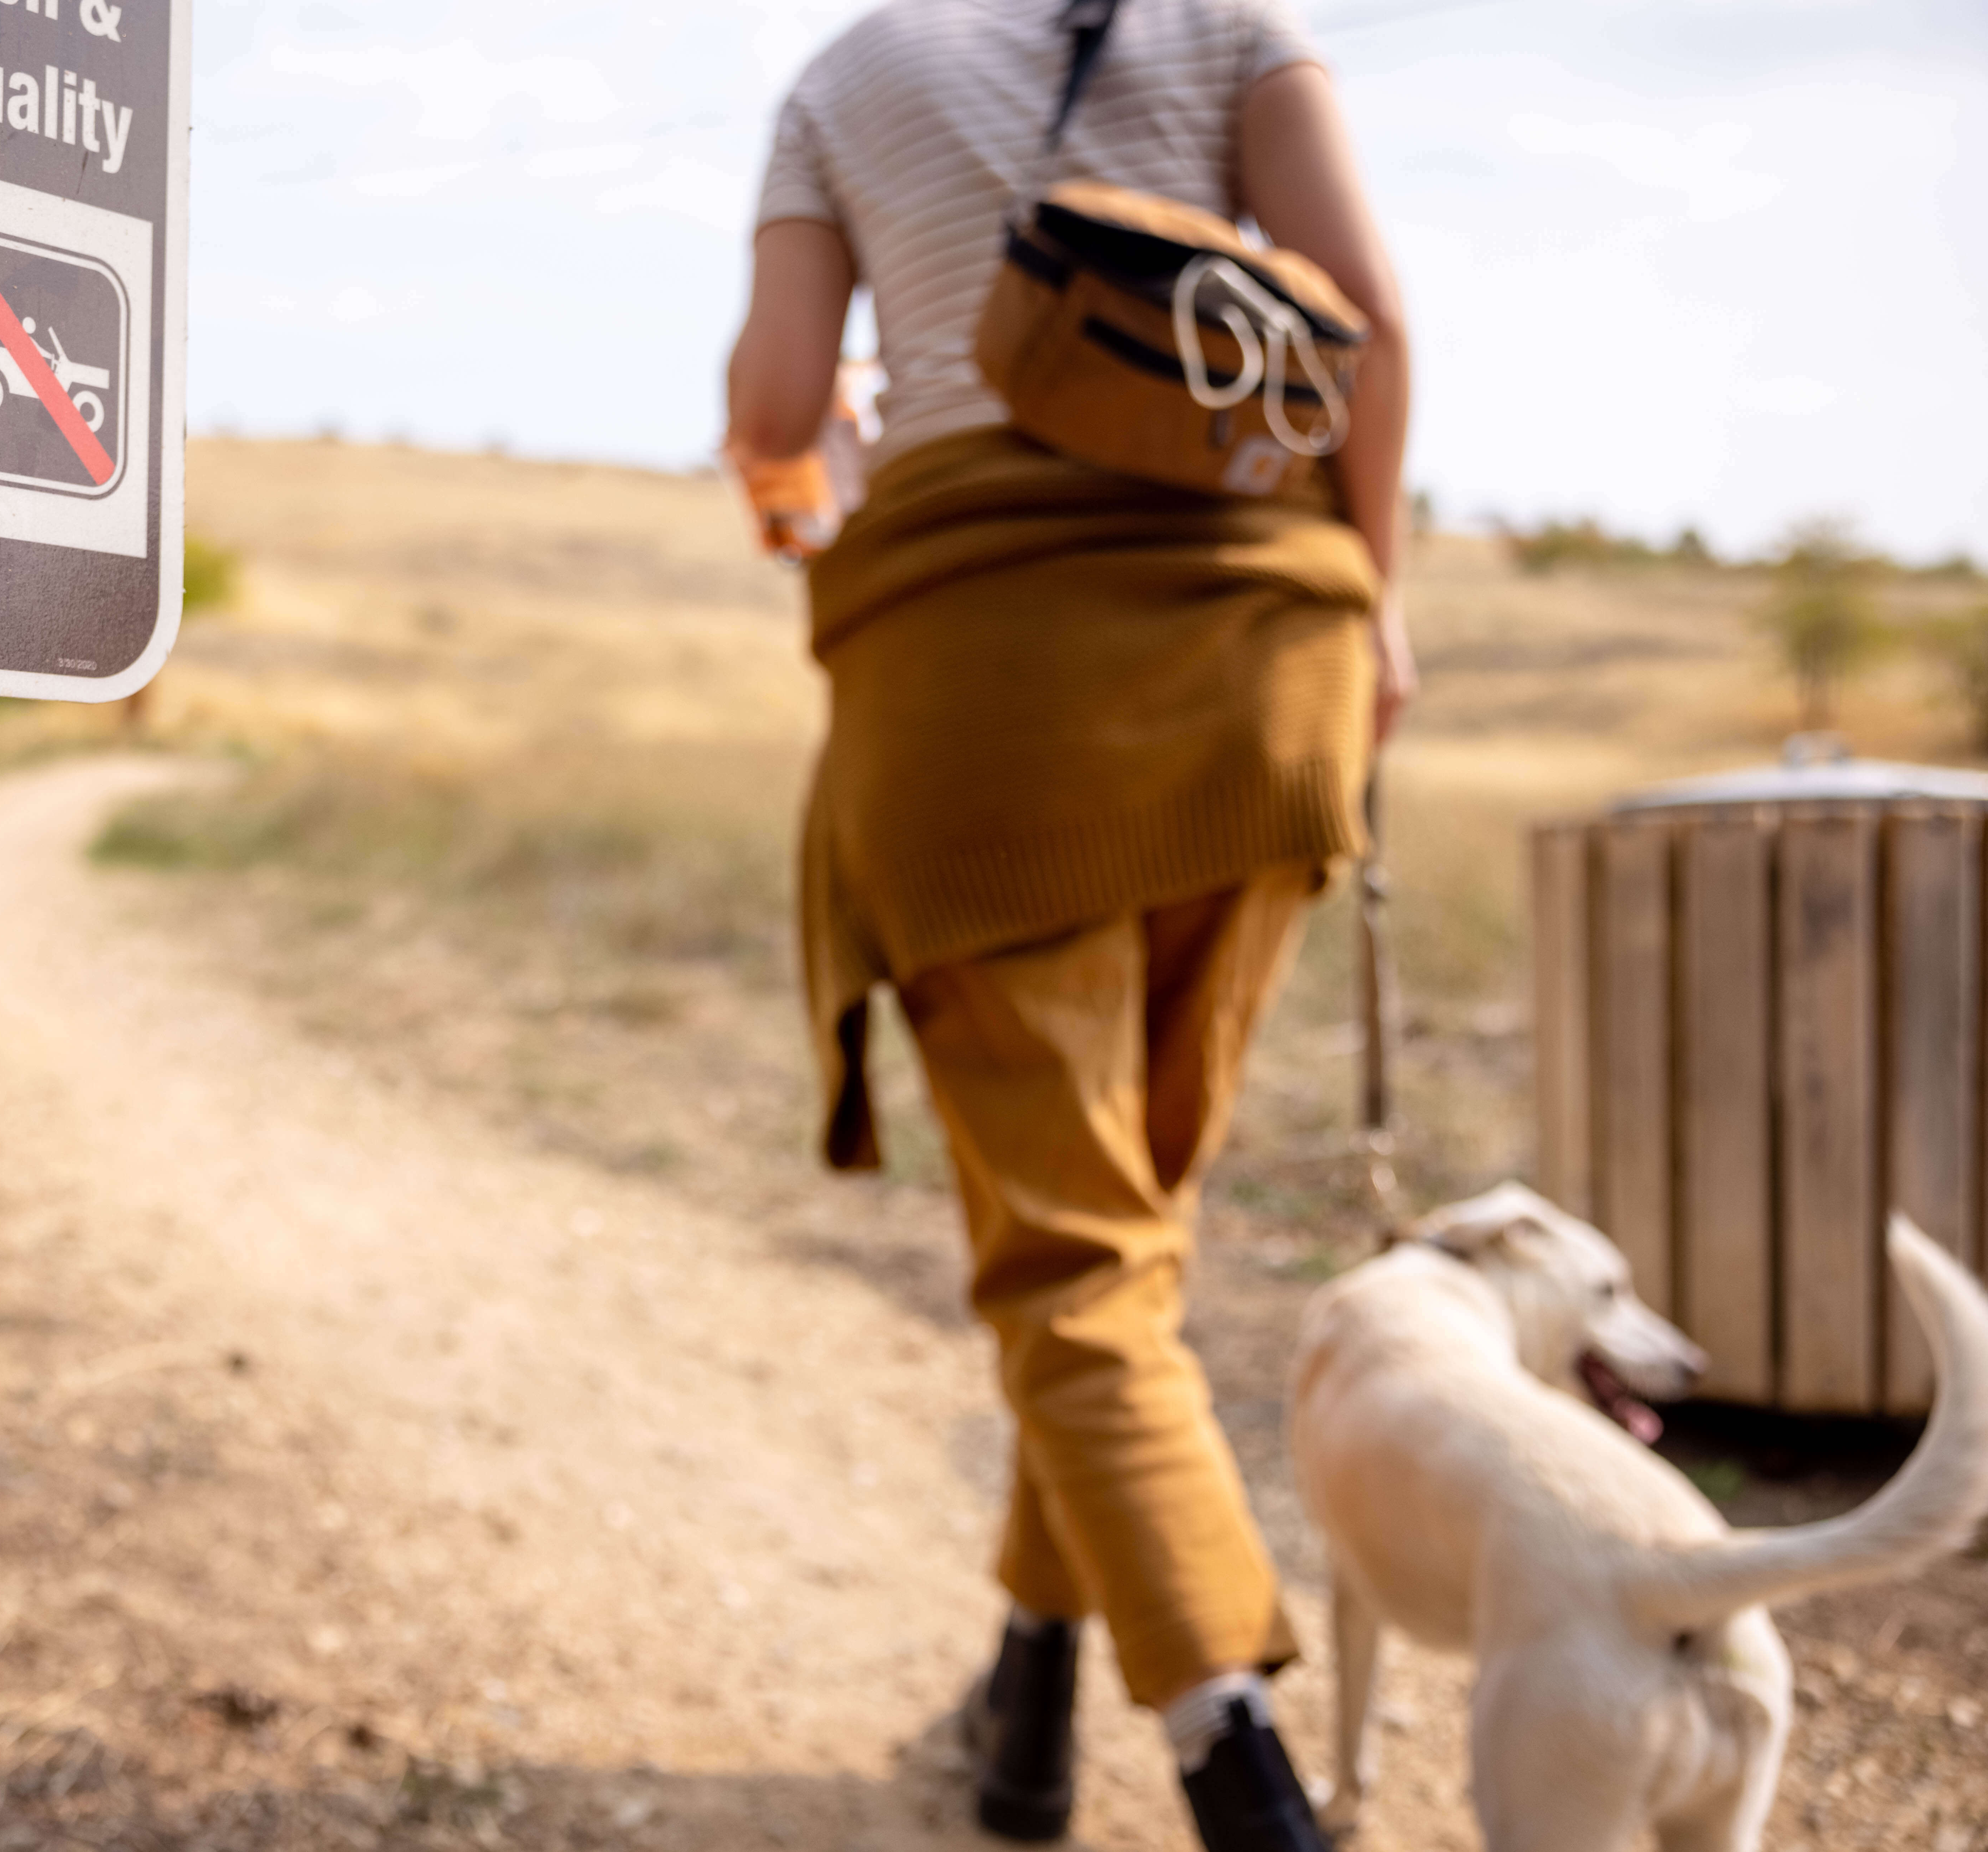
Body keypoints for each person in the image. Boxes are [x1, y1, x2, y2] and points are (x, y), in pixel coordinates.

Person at [723, 3, 1415, 1848]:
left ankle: (1237, 1774)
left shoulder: (840, 84)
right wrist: (1381, 611)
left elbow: (780, 416)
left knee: (1075, 1254)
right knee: (1130, 1236)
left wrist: (817, 487)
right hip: (1261, 672)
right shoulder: (1238, 25)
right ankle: (1030, 1703)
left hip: (981, 694)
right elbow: (1376, 326)